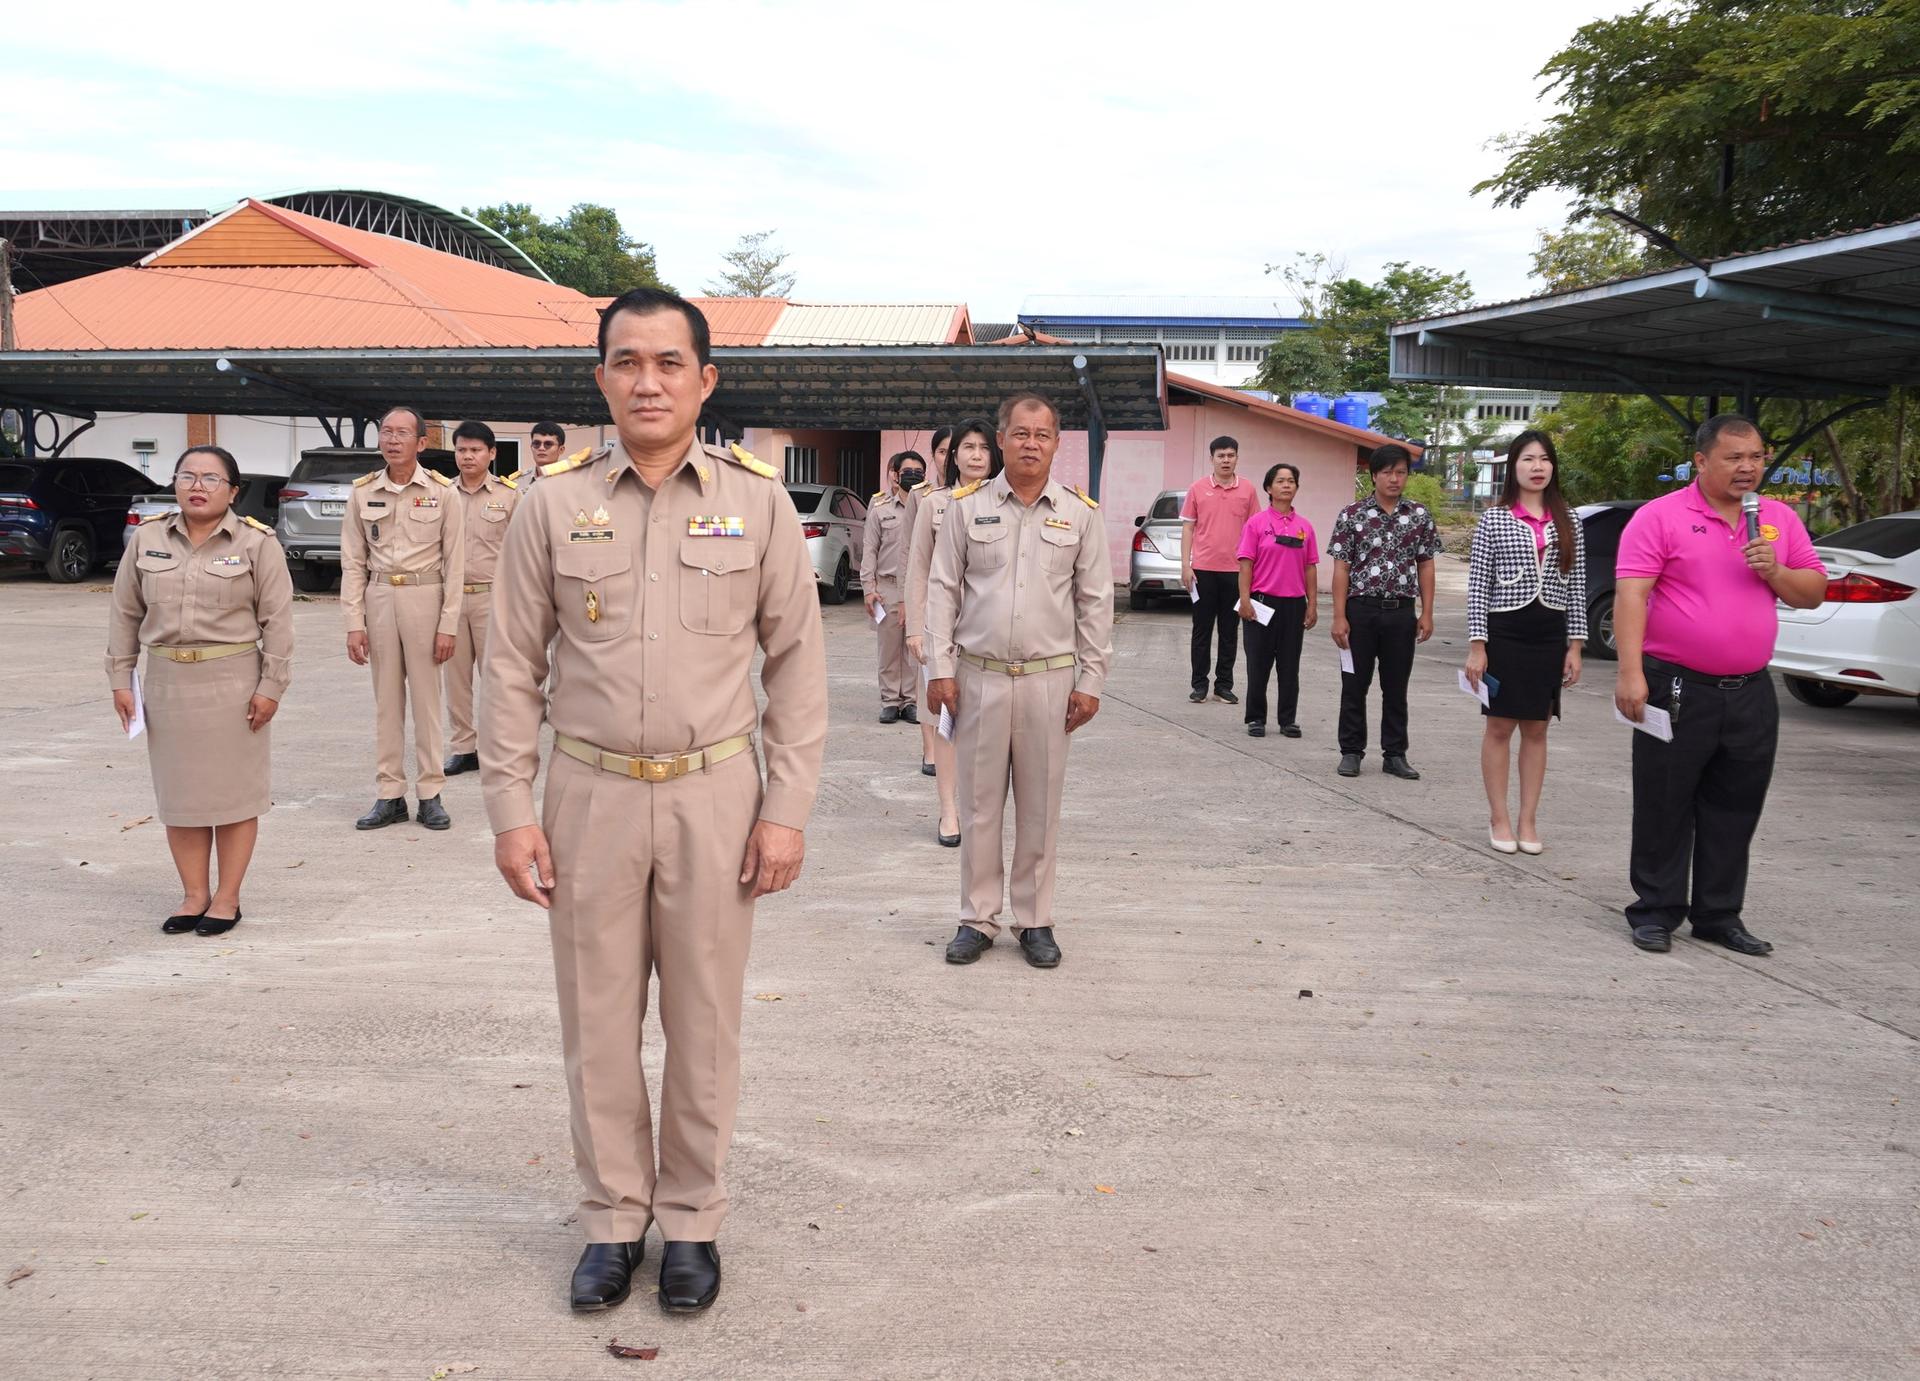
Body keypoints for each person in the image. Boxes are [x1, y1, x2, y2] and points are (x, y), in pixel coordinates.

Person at [480, 286, 827, 1316]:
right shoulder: (553, 501)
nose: (647, 380)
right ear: (601, 379)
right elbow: (509, 667)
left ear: (705, 379)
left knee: (705, 1019)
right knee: (596, 1020)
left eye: (669, 362)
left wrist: (787, 807)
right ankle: (610, 1219)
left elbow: (798, 663)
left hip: (716, 792)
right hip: (587, 788)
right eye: (626, 361)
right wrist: (511, 807)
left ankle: (693, 1222)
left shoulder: (758, 500)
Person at [1612, 414, 1826, 956]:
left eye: (1755, 456)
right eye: (1734, 457)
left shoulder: (1777, 519)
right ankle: (1656, 909)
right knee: (1665, 801)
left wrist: (1774, 571)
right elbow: (1632, 596)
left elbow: (1813, 591)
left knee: (1737, 804)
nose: (1748, 467)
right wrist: (1630, 672)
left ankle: (1718, 914)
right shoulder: (1659, 517)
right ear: (1702, 462)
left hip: (1751, 690)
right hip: (1677, 685)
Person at [926, 392, 1114, 970]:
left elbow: (1096, 602)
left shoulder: (1081, 514)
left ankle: (1035, 920)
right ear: (1000, 439)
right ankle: (977, 919)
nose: (1031, 443)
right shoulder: (965, 508)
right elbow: (943, 590)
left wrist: (1091, 681)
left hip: (1050, 682)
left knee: (1040, 805)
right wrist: (940, 668)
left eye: (1043, 434)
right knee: (979, 805)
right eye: (1021, 433)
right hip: (978, 677)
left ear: (1057, 443)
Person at [107, 445, 293, 936]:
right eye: (187, 476)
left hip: (232, 681)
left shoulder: (256, 543)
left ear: (233, 491)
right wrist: (120, 679)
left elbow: (278, 621)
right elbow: (126, 613)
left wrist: (271, 685)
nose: (197, 486)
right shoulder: (148, 537)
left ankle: (227, 898)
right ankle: (193, 895)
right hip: (167, 682)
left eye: (211, 479)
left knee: (233, 797)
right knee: (182, 797)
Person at [1464, 430, 1588, 854]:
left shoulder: (1569, 519)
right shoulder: (1494, 518)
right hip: (1505, 631)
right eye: (1528, 459)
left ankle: (1528, 820)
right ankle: (1498, 816)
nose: (1537, 467)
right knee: (1499, 725)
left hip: (1549, 633)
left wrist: (1576, 645)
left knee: (1537, 727)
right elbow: (1478, 584)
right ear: (1512, 467)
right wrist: (1477, 644)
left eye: (1544, 459)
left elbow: (1578, 585)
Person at [341, 405, 464, 830]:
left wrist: (448, 624)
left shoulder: (444, 492)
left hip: (424, 597)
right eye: (386, 432)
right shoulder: (362, 492)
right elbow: (353, 562)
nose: (392, 440)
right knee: (386, 703)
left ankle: (430, 793)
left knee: (428, 703)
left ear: (422, 442)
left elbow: (456, 564)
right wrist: (353, 621)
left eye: (401, 433)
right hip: (378, 598)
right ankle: (389, 794)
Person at [905, 419, 1000, 845]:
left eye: (983, 447)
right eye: (968, 447)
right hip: (943, 632)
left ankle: (978, 809)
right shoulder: (932, 503)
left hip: (992, 633)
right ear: (952, 455)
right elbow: (918, 568)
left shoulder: (1009, 502)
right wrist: (916, 628)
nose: (976, 455)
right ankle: (948, 813)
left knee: (988, 729)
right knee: (946, 722)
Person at [1329, 444, 1437, 780]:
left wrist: (1427, 612)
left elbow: (1427, 565)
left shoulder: (1419, 515)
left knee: (1396, 687)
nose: (1394, 478)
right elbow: (1341, 568)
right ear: (1373, 475)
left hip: (1401, 614)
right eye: (1387, 472)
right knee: (1354, 684)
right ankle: (1351, 752)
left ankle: (1395, 754)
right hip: (1360, 611)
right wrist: (1339, 615)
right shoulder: (1352, 515)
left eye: (1401, 472)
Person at [442, 421, 520, 778]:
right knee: (455, 681)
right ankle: (463, 748)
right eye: (461, 450)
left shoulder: (509, 496)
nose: (468, 456)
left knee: (497, 679)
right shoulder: (443, 495)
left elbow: (523, 551)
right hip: (451, 601)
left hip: (493, 599)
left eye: (475, 450)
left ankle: (496, 748)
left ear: (492, 453)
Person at [1236, 462, 1319, 739]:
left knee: (1289, 665)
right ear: (1269, 488)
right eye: (1280, 481)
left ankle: (1288, 720)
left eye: (1291, 481)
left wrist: (1312, 604)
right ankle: (1256, 718)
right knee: (1258, 664)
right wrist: (1244, 600)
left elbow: (1310, 567)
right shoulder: (1256, 524)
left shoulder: (1304, 527)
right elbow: (1246, 564)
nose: (1286, 485)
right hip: (1261, 603)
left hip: (1293, 605)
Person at [1181, 436, 1258, 705]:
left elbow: (1254, 531)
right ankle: (1199, 684)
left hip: (1235, 572)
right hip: (1202, 571)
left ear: (1237, 457)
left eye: (1231, 455)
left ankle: (1224, 685)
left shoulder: (1247, 490)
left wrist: (1253, 570)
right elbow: (1188, 527)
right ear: (1211, 458)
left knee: (1229, 630)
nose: (1226, 460)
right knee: (1201, 630)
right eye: (1221, 455)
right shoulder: (1197, 488)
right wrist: (1186, 566)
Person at [905, 425, 955, 775]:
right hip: (930, 608)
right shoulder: (922, 498)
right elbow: (912, 557)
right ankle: (930, 750)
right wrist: (910, 611)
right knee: (929, 682)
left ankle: (952, 748)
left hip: (968, 613)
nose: (949, 458)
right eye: (942, 451)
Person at [861, 450, 923, 724]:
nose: (913, 475)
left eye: (918, 471)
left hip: (917, 591)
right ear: (896, 475)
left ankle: (910, 701)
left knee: (914, 650)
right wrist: (867, 588)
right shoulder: (881, 509)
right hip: (886, 589)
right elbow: (869, 550)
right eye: (907, 471)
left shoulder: (927, 507)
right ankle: (889, 701)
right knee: (888, 650)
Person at [522, 420, 567, 485]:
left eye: (548, 444)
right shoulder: (518, 482)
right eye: (536, 444)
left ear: (561, 450)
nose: (541, 448)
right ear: (531, 447)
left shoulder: (571, 481)